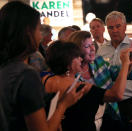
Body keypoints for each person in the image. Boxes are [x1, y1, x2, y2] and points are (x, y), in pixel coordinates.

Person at [0, 1, 83, 131]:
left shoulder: (6, 68)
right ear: (28, 32)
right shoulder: (26, 75)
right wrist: (63, 105)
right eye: (38, 29)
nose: (40, 35)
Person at [44, 40, 132, 131]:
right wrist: (125, 63)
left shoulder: (45, 80)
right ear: (68, 64)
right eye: (77, 57)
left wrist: (127, 66)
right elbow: (117, 95)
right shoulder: (81, 87)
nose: (81, 59)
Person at [97, 11, 132, 131]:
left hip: (130, 105)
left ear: (125, 27)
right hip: (107, 105)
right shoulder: (101, 50)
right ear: (107, 29)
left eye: (118, 26)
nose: (115, 30)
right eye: (111, 27)